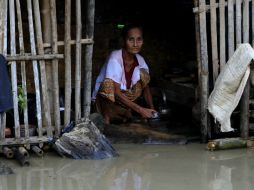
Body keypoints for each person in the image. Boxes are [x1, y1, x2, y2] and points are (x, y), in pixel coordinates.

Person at [92, 24, 156, 124]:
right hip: (107, 101)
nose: (135, 44)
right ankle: (107, 117)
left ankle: (124, 113)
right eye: (131, 39)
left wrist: (152, 111)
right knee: (108, 84)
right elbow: (116, 93)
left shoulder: (140, 61)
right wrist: (141, 110)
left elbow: (146, 88)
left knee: (143, 81)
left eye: (139, 39)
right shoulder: (115, 58)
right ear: (123, 41)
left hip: (124, 102)